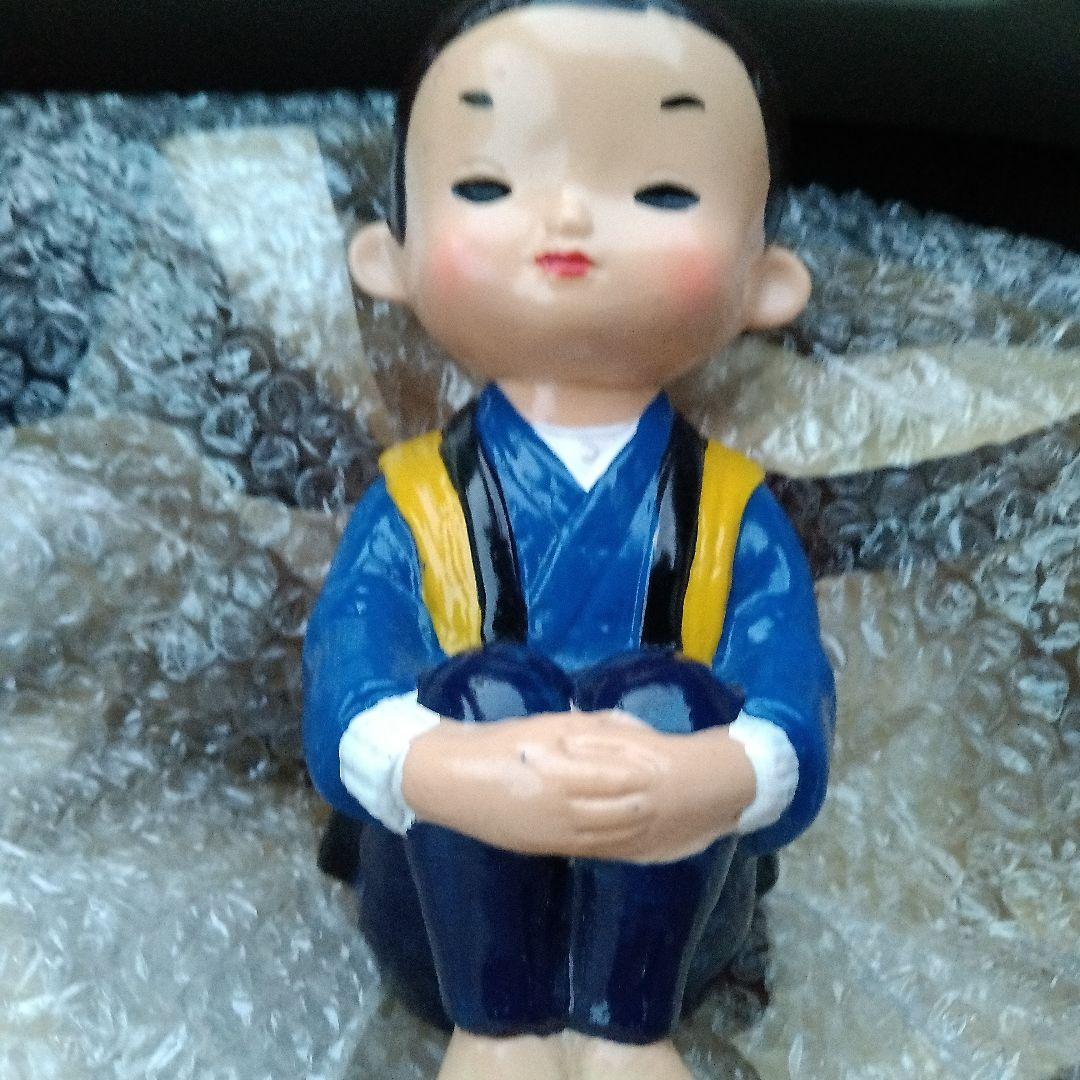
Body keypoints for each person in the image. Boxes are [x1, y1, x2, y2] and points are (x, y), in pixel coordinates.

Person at [303, 2, 835, 1076]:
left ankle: (626, 1033)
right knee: (485, 687)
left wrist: (708, 778)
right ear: (389, 258)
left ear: (765, 280)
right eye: (487, 187)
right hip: (444, 915)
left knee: (671, 697)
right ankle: (496, 1032)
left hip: (675, 922)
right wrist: (450, 768)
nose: (570, 217)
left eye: (663, 193)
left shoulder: (731, 510)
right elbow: (348, 665)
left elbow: (791, 683)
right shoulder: (416, 500)